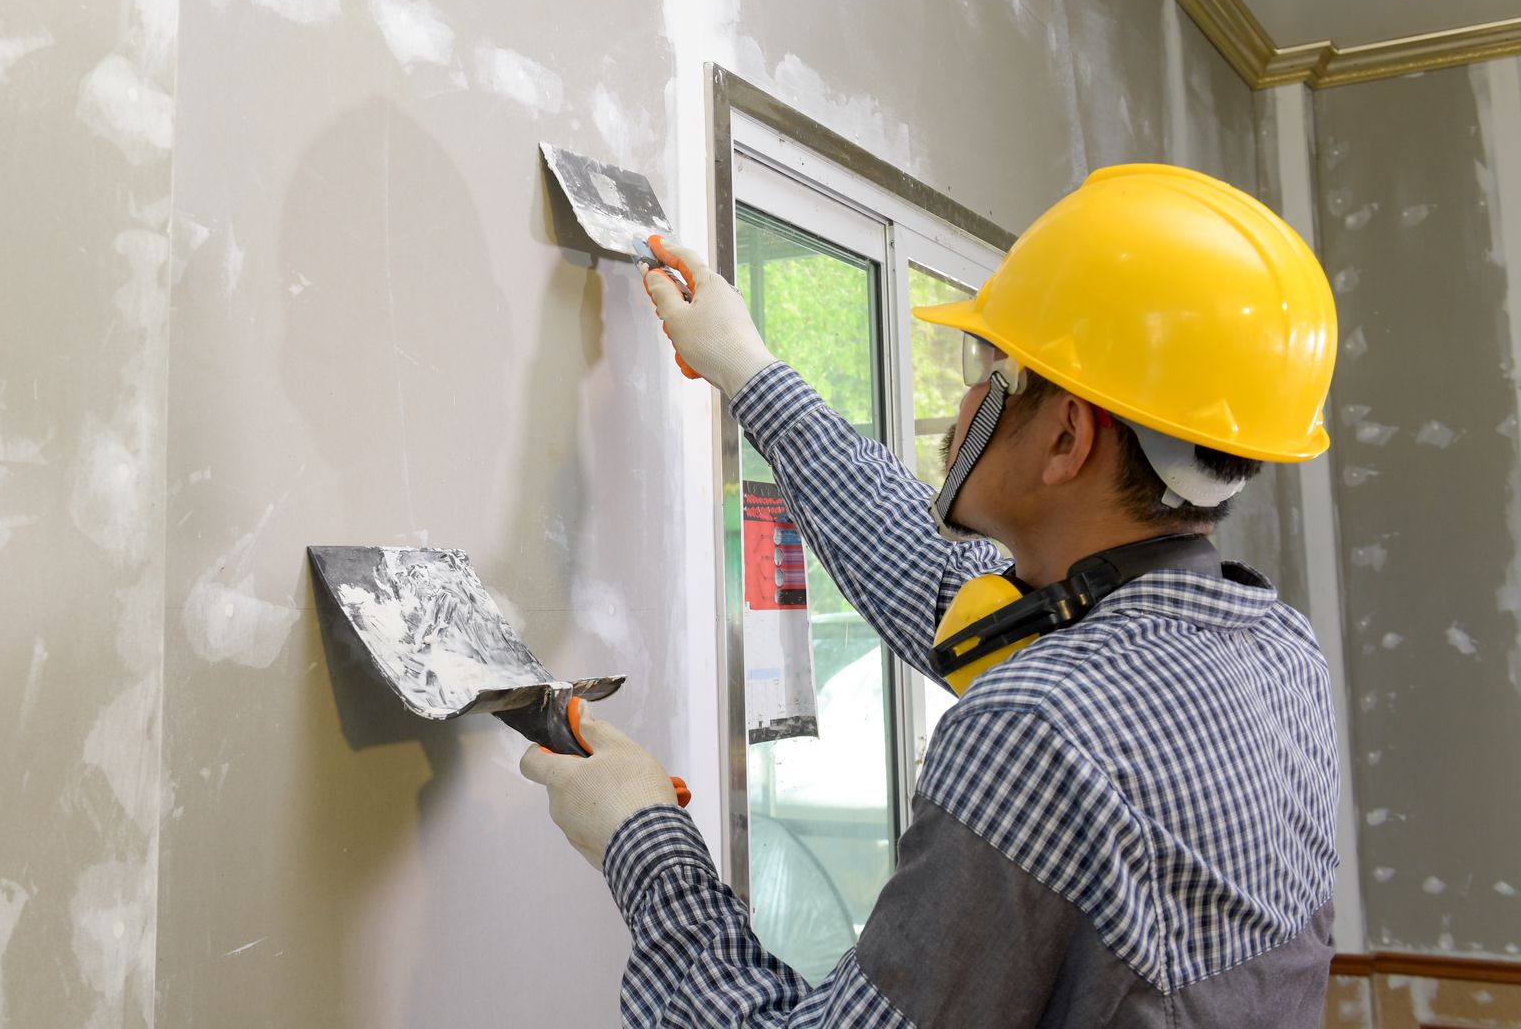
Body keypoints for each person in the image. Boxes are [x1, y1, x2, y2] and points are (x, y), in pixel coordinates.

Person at [520, 164, 1342, 1027]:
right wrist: (749, 371)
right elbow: (944, 589)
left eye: (994, 369)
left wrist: (641, 837)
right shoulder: (1274, 649)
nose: (967, 396)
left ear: (1067, 437)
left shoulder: (1040, 725)